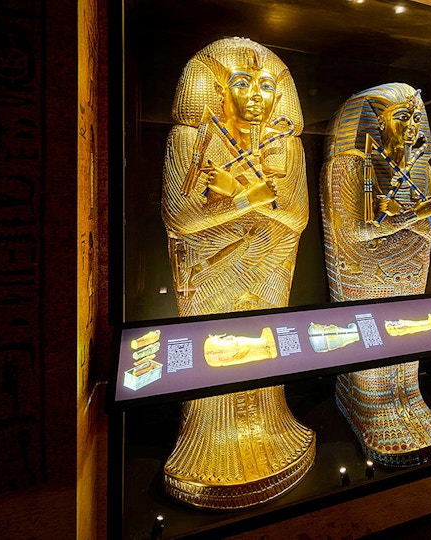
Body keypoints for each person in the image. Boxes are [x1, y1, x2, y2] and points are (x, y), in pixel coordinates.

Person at [159, 36, 315, 510]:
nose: (256, 95)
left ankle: (271, 419)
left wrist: (237, 194)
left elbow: (297, 215)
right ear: (214, 90)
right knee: (217, 347)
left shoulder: (285, 145)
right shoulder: (193, 138)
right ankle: (208, 431)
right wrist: (256, 198)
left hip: (269, 262)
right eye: (242, 83)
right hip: (210, 268)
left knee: (263, 340)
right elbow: (180, 215)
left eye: (267, 85)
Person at [319, 82, 431, 467]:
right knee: (372, 336)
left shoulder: (422, 169)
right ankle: (366, 402)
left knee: (408, 333)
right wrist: (407, 219)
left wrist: (402, 219)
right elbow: (356, 231)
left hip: (411, 264)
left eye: (416, 117)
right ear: (375, 123)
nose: (412, 125)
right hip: (365, 267)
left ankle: (409, 395)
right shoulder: (350, 164)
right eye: (401, 117)